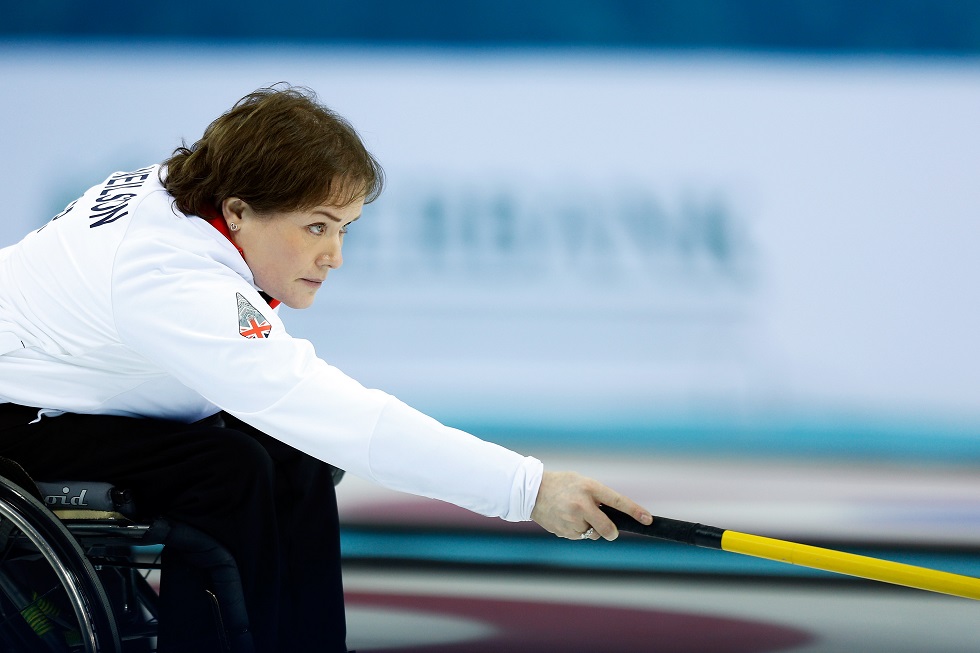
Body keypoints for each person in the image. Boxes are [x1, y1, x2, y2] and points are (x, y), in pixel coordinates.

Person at [0, 84, 652, 652]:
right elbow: (352, 421)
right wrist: (528, 490)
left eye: (345, 228)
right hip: (18, 419)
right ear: (238, 211)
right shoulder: (169, 280)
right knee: (228, 475)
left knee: (295, 452)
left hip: (74, 391)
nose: (334, 255)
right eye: (317, 227)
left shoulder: (194, 186)